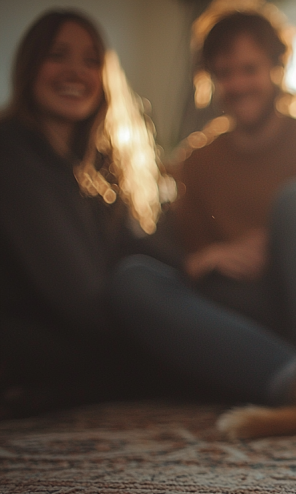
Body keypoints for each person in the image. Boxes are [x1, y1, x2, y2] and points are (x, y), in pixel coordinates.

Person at [110, 9, 296, 407]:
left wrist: (278, 248)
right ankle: (294, 378)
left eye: (249, 69)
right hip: (242, 308)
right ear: (211, 81)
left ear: (277, 69)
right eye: (224, 73)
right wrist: (211, 257)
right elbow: (195, 265)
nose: (237, 84)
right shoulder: (197, 161)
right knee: (132, 278)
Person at [0, 10, 173, 416]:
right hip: (21, 333)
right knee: (168, 359)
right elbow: (81, 298)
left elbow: (139, 249)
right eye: (58, 55)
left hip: (66, 333)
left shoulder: (92, 170)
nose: (75, 71)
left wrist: (198, 273)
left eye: (91, 60)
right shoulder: (12, 155)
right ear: (30, 67)